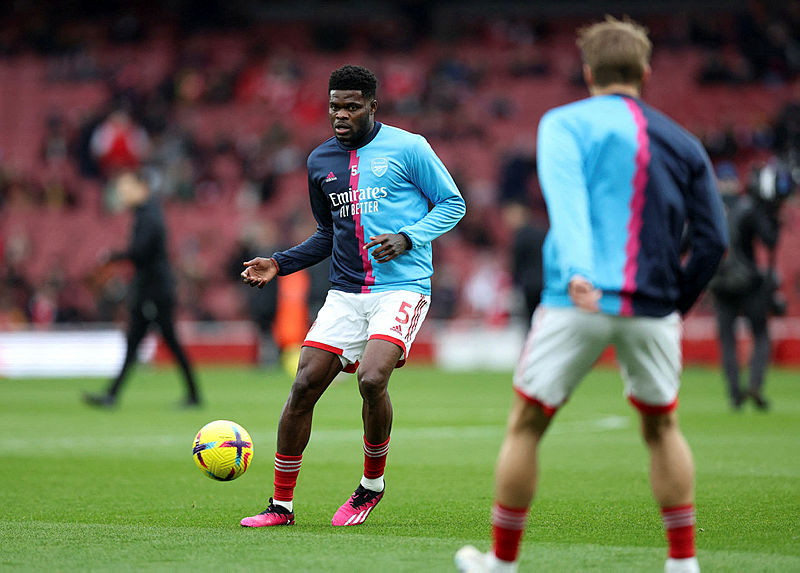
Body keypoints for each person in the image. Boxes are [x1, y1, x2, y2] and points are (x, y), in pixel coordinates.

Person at [455, 17, 727, 573]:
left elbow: (567, 199)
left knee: (527, 424)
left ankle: (501, 565)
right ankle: (682, 564)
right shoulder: (683, 142)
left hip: (573, 299)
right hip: (652, 305)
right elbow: (714, 240)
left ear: (587, 72)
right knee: (662, 427)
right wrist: (676, 300)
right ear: (645, 73)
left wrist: (580, 269)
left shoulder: (564, 123)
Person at [238, 65, 465, 528]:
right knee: (302, 387)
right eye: (334, 107)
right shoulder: (320, 161)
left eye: (351, 107)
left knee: (370, 378)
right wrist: (279, 263)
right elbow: (327, 233)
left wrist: (408, 237)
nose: (340, 115)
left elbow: (453, 203)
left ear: (372, 105)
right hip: (345, 293)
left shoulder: (410, 147)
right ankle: (281, 506)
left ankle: (370, 487)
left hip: (402, 287)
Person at [84, 171, 201, 408]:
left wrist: (113, 256)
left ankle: (193, 395)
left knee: (163, 340)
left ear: (142, 187)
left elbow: (141, 252)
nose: (122, 194)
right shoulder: (146, 214)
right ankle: (112, 394)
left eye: (126, 188)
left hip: (153, 291)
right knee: (138, 341)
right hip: (149, 289)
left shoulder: (149, 216)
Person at [710, 163, 791, 410]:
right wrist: (775, 215)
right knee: (761, 334)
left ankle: (734, 393)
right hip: (748, 283)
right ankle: (755, 383)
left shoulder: (710, 208)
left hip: (719, 283)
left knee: (727, 339)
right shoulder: (749, 208)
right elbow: (769, 239)